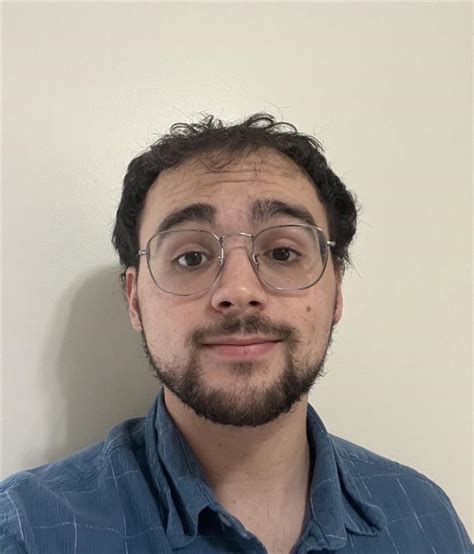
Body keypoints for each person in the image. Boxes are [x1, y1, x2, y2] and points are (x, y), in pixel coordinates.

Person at [1, 114, 471, 554]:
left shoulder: (426, 519)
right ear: (135, 299)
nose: (239, 291)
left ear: (337, 292)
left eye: (283, 252)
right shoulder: (28, 531)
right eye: (190, 257)